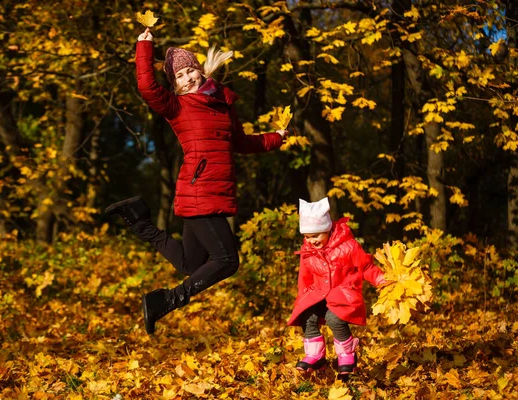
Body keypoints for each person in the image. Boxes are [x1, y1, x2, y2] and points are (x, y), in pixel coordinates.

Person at [105, 27, 288, 335]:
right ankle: (164, 300)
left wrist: (276, 138)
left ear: (201, 70)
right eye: (180, 76)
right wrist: (143, 47)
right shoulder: (178, 107)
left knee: (191, 265)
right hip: (201, 191)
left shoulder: (224, 105)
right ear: (174, 85)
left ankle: (138, 219)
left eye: (191, 70)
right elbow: (148, 87)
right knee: (227, 261)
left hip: (213, 191)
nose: (188, 78)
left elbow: (241, 143)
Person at [288, 197, 387, 374]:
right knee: (306, 314)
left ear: (327, 229)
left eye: (316, 235)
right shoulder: (308, 251)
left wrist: (380, 279)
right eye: (307, 237)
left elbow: (365, 266)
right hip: (318, 293)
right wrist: (302, 299)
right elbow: (304, 278)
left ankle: (347, 353)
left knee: (335, 319)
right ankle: (315, 356)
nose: (311, 240)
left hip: (343, 294)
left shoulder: (348, 246)